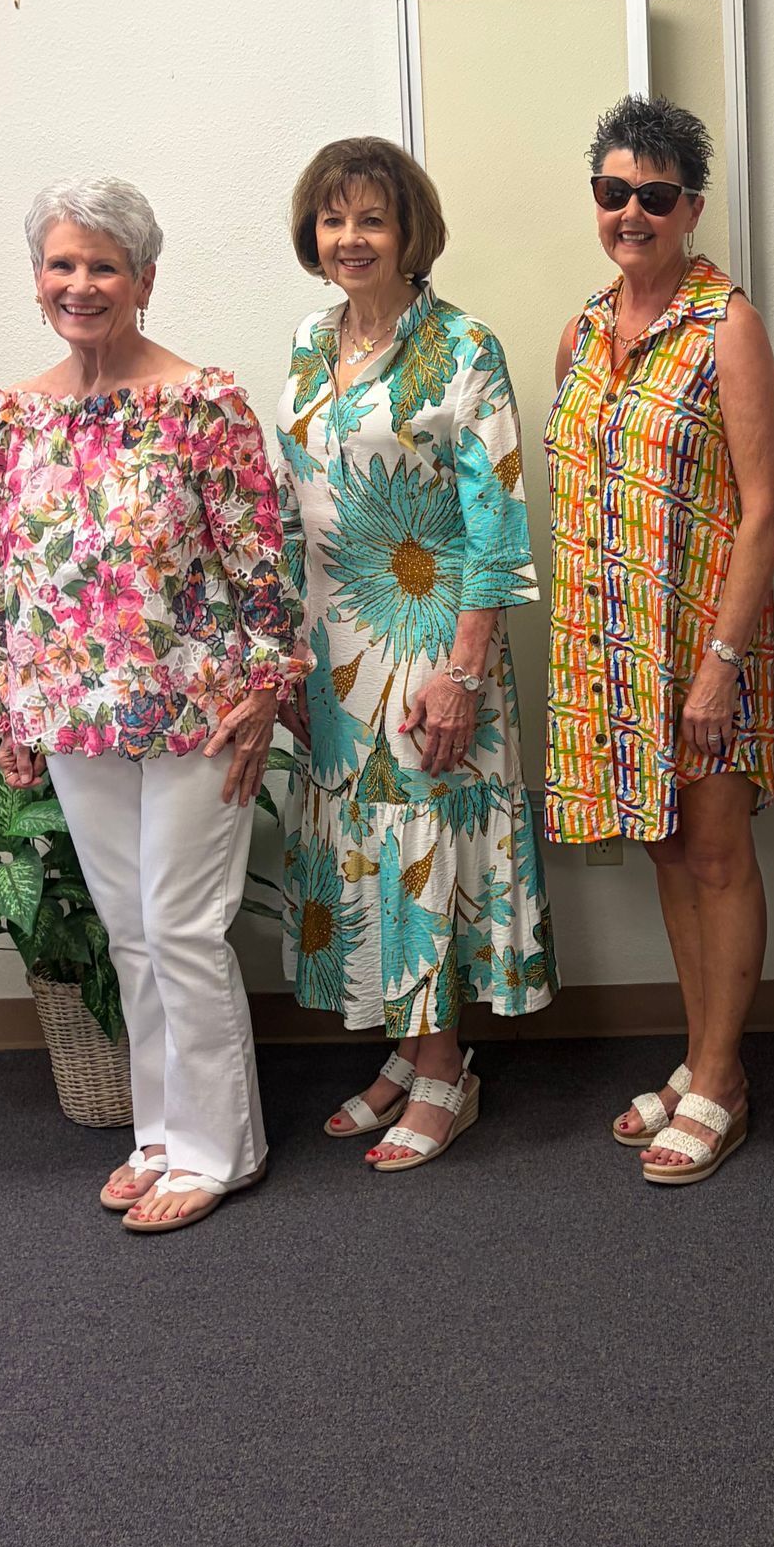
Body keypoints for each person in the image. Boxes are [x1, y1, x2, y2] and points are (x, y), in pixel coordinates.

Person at [0, 179, 306, 1232]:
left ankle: (220, 1151)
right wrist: (15, 706)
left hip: (198, 705)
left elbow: (262, 559)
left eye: (104, 266)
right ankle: (162, 1132)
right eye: (62, 264)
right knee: (130, 931)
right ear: (38, 279)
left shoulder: (202, 402)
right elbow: (11, 572)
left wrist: (268, 688)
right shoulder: (20, 416)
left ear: (145, 281)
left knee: (182, 927)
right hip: (74, 707)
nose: (80, 285)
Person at [276, 138, 555, 1171]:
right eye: (334, 218)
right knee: (361, 839)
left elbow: (497, 523)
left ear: (410, 233)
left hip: (432, 639)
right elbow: (297, 502)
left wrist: (466, 671)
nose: (351, 238)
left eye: (372, 219)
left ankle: (446, 1069)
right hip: (334, 642)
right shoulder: (308, 343)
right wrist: (289, 652)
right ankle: (407, 1042)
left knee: (422, 839)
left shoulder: (463, 346)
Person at [545, 95, 774, 1187]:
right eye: (613, 192)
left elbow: (765, 504)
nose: (630, 212)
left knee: (718, 853)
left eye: (655, 195)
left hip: (702, 643)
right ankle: (699, 1057)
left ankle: (724, 1077)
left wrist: (721, 664)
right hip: (609, 648)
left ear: (690, 207)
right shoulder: (582, 331)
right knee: (665, 847)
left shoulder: (726, 323)